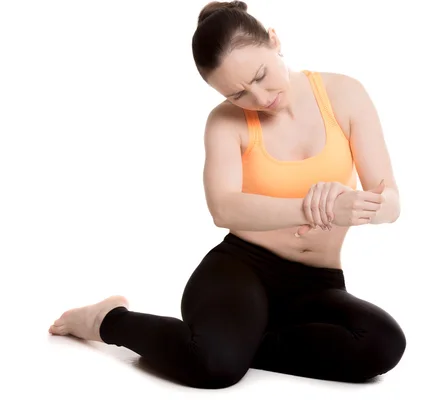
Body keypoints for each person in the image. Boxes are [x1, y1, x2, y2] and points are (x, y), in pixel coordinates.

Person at [48, 0, 407, 389]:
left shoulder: (343, 93)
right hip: (239, 272)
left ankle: (234, 341)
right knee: (215, 368)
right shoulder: (224, 122)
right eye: (238, 94)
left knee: (382, 344)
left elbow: (390, 203)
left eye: (260, 75)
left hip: (316, 283)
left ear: (273, 40)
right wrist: (314, 209)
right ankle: (107, 320)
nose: (259, 97)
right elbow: (224, 208)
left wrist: (356, 206)